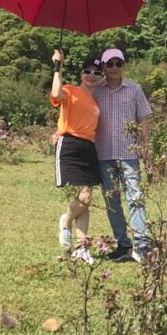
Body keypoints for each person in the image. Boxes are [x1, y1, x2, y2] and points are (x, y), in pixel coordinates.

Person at [92, 48, 153, 263]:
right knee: (112, 201)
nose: (115, 67)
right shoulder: (96, 91)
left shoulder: (135, 89)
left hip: (129, 153)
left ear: (124, 65)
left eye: (119, 63)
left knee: (136, 198)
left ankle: (142, 245)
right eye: (110, 64)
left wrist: (146, 148)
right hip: (103, 154)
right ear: (103, 67)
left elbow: (144, 119)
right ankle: (123, 244)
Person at [49, 50, 103, 264]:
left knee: (86, 200)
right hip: (70, 145)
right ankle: (66, 220)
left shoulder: (96, 101)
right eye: (87, 71)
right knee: (84, 196)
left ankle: (82, 247)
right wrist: (58, 67)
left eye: (97, 73)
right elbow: (56, 93)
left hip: (89, 148)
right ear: (81, 74)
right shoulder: (70, 90)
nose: (91, 75)